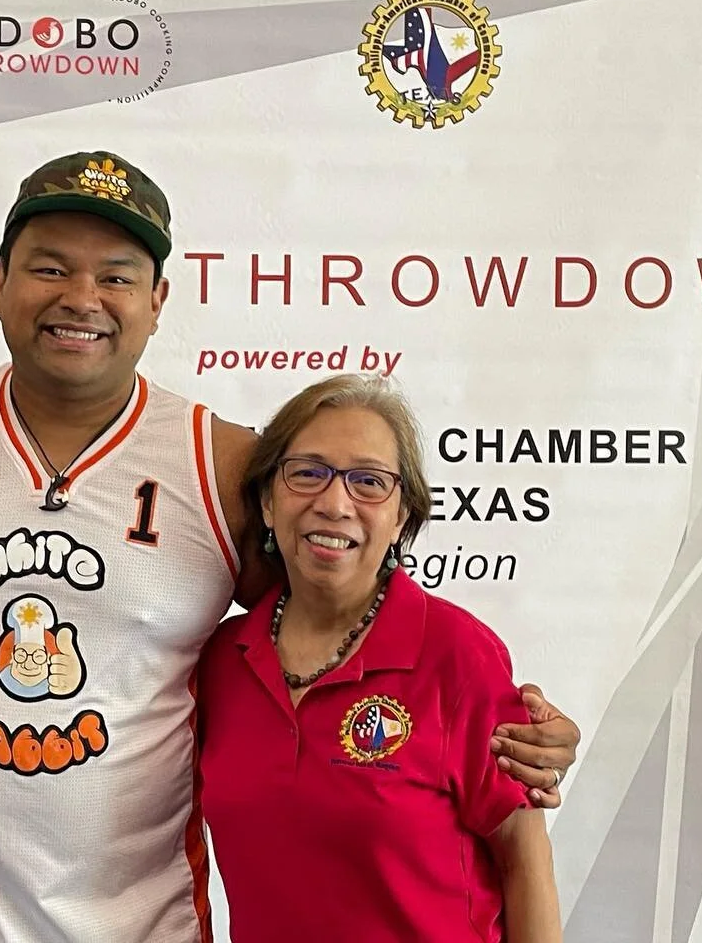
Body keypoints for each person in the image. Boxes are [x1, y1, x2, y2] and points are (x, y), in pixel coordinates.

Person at [0, 151, 579, 942]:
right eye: (49, 268)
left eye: (116, 275)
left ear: (158, 300)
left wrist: (509, 729)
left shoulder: (223, 461)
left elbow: (338, 621)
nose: (81, 299)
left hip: (144, 926)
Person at [197, 375, 562, 942]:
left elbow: (524, 856)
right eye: (307, 472)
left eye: (368, 481)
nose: (334, 503)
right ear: (268, 502)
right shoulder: (221, 661)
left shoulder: (458, 654)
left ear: (400, 517)